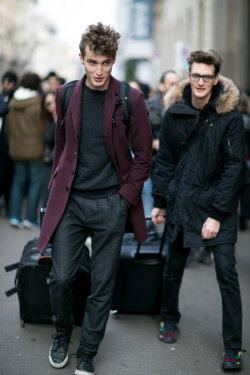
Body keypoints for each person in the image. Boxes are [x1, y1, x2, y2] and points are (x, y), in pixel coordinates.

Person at [37, 22, 152, 375]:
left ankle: (87, 350)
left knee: (102, 283)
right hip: (71, 203)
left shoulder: (130, 99)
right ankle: (61, 332)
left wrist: (123, 199)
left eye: (105, 62)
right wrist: (56, 187)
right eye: (92, 62)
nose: (98, 70)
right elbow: (61, 146)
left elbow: (144, 156)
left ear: (114, 60)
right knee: (60, 278)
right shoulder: (65, 94)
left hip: (110, 204)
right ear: (81, 59)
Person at [151, 50, 246, 371]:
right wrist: (160, 202)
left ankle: (233, 345)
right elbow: (164, 160)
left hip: (217, 204)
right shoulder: (174, 113)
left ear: (216, 78)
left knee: (226, 275)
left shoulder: (230, 116)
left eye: (207, 76)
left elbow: (235, 168)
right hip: (182, 200)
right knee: (172, 266)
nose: (201, 81)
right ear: (188, 76)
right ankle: (168, 318)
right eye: (196, 75)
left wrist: (217, 215)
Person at [5, 72, 44, 228]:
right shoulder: (37, 102)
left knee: (18, 181)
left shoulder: (13, 103)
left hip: (16, 148)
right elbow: (42, 126)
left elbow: (7, 128)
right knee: (35, 183)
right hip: (35, 148)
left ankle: (14, 216)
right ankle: (29, 218)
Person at [0, 71, 17, 216]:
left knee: (8, 175)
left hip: (10, 142)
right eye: (4, 82)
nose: (6, 85)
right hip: (2, 142)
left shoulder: (15, 99)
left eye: (9, 82)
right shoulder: (3, 97)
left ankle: (8, 206)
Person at [40, 91, 56, 207]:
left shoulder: (65, 115)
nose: (52, 106)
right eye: (48, 104)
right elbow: (47, 139)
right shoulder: (48, 119)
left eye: (53, 102)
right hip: (51, 159)